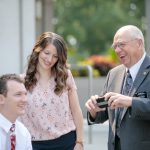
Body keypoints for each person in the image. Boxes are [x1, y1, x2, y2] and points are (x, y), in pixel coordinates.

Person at [85, 25, 150, 150]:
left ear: (139, 43)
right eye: (115, 46)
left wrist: (131, 102)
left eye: (121, 44)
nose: (117, 50)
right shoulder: (113, 74)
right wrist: (94, 110)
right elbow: (104, 113)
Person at [20, 32, 84, 150]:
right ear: (38, 50)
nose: (50, 59)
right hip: (35, 145)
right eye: (47, 53)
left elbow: (76, 110)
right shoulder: (21, 82)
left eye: (55, 56)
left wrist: (80, 142)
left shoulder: (65, 76)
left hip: (67, 142)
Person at [0, 74, 32, 150]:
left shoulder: (24, 132)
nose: (25, 100)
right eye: (18, 94)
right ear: (1, 99)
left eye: (25, 94)